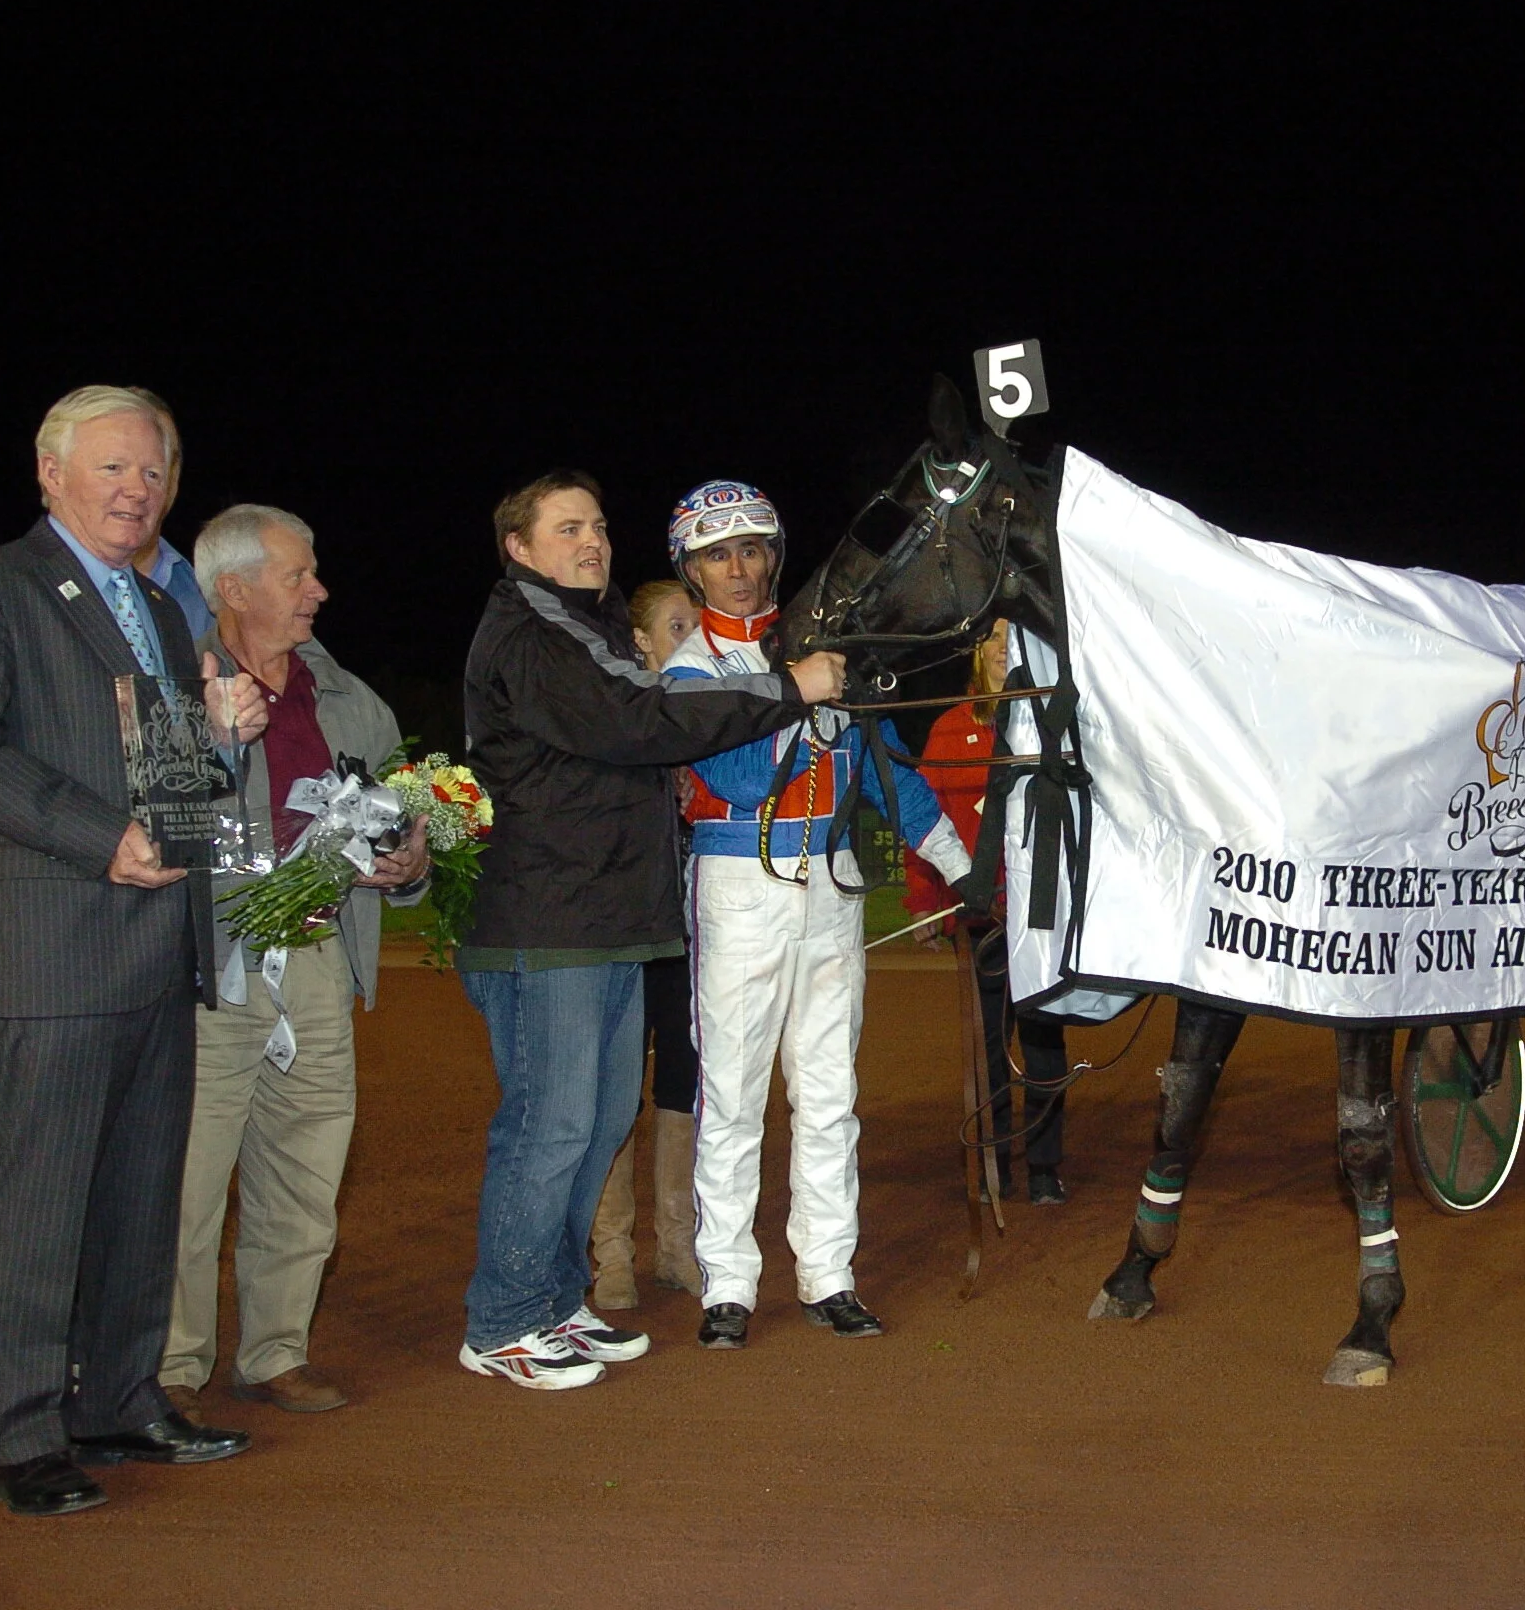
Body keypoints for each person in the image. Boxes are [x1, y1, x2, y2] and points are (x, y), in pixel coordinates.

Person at [0, 386, 267, 1516]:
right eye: (111, 469)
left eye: (152, 472)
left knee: (136, 1201)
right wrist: (95, 834)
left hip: (157, 947)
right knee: (44, 1201)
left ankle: (120, 1402)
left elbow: (166, 787)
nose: (135, 490)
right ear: (50, 474)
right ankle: (23, 1438)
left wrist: (215, 742)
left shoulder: (161, 613)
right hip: (55, 947)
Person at [456, 470, 843, 1390]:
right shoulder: (529, 629)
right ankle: (503, 1319)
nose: (591, 541)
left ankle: (552, 1302)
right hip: (549, 916)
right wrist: (790, 689)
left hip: (612, 913)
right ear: (518, 549)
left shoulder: (583, 626)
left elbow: (633, 740)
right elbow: (641, 724)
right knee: (549, 1126)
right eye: (565, 529)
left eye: (596, 525)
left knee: (594, 1125)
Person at [663, 480, 975, 1350]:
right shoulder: (691, 671)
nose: (740, 569)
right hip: (739, 887)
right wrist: (798, 692)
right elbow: (732, 779)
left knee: (831, 1093)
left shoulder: (827, 655)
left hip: (833, 887)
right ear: (690, 569)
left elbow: (889, 776)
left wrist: (963, 869)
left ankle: (829, 1273)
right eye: (719, 554)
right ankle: (727, 1282)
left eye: (754, 549)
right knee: (731, 1093)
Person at [161, 505, 429, 1420]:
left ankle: (275, 1351)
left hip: (317, 960)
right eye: (297, 576)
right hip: (203, 968)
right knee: (186, 1180)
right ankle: (168, 1368)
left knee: (305, 1169)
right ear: (232, 589)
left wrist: (410, 861)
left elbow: (406, 813)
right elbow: (144, 817)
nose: (318, 590)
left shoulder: (348, 697)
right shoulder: (168, 686)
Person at [904, 619, 1073, 1205]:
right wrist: (928, 903)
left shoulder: (1054, 723)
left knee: (1045, 1042)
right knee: (989, 1045)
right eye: (995, 638)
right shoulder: (953, 727)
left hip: (1044, 916)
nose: (1005, 649)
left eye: (1017, 638)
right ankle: (996, 1162)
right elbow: (923, 818)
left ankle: (1045, 1165)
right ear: (977, 650)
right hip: (984, 918)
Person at [588, 579, 706, 1307]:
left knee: (685, 1076)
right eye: (674, 625)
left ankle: (676, 1244)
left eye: (696, 625)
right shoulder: (617, 718)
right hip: (626, 925)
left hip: (692, 927)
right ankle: (612, 1254)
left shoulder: (706, 718)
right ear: (639, 642)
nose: (691, 636)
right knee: (616, 1083)